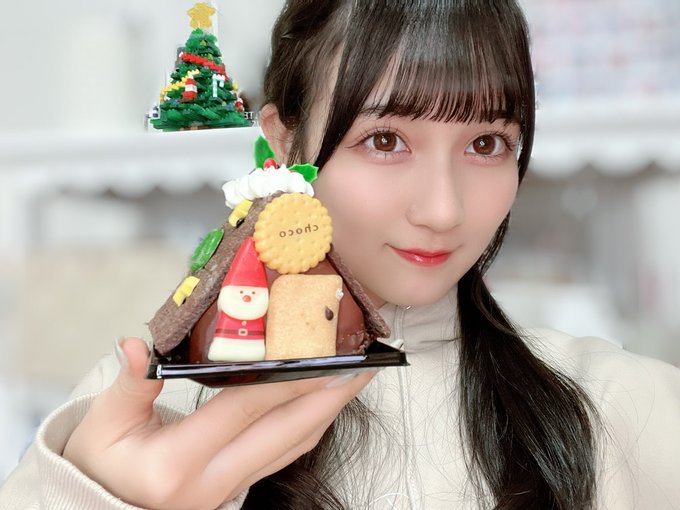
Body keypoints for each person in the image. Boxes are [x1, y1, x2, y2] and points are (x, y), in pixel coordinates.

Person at [2, 1, 680, 508]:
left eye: (486, 144)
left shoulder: (625, 404)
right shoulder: (140, 415)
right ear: (284, 142)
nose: (442, 210)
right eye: (385, 140)